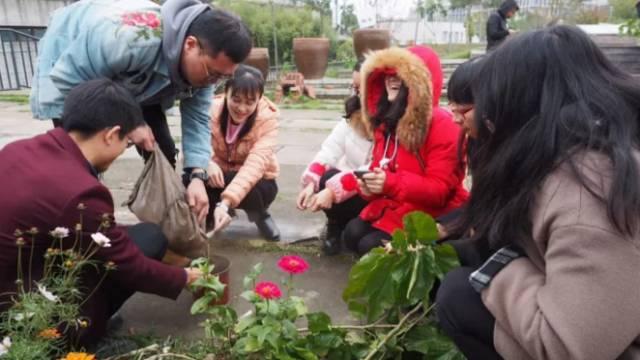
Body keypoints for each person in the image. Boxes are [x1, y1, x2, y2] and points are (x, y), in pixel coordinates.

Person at [436, 25, 640, 360]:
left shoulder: (590, 193)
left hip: (590, 344)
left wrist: (497, 268)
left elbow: (568, 348)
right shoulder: (572, 150)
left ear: (523, 104)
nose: (486, 117)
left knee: (458, 293)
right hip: (599, 317)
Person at [0, 79, 202, 346]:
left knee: (147, 236)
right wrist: (183, 278)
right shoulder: (81, 192)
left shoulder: (17, 150)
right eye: (127, 142)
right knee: (134, 253)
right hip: (24, 314)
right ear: (110, 135)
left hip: (22, 270)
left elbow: (96, 233)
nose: (122, 151)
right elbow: (128, 265)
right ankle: (82, 334)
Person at [29, 0, 252, 224]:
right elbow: (70, 80)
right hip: (79, 70)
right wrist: (131, 123)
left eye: (223, 77)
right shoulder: (130, 38)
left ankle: (166, 218)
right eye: (212, 73)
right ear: (190, 44)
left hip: (140, 77)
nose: (213, 82)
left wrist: (197, 176)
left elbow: (197, 119)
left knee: (161, 149)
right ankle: (81, 224)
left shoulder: (205, 74)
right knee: (85, 157)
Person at [342, 46, 469, 256]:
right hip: (401, 207)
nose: (391, 79)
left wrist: (389, 183)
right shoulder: (388, 119)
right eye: (387, 74)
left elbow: (439, 191)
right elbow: (380, 169)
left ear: (419, 83)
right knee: (353, 233)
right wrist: (370, 188)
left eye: (400, 74)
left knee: (370, 246)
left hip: (435, 213)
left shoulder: (443, 124)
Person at [296, 61, 373, 255]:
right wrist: (310, 184)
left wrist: (333, 191)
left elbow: (375, 169)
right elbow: (329, 151)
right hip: (348, 187)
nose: (357, 94)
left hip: (376, 192)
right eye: (354, 88)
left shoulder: (392, 124)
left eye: (361, 88)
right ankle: (335, 224)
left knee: (356, 237)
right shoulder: (351, 117)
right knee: (324, 177)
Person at [206, 65, 281, 241]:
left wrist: (225, 204)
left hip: (258, 180)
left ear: (259, 99)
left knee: (250, 188)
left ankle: (260, 215)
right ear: (226, 92)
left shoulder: (268, 120)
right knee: (193, 178)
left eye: (249, 102)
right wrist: (206, 162)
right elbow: (197, 143)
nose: (241, 108)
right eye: (236, 99)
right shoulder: (211, 110)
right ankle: (210, 215)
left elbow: (255, 165)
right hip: (219, 172)